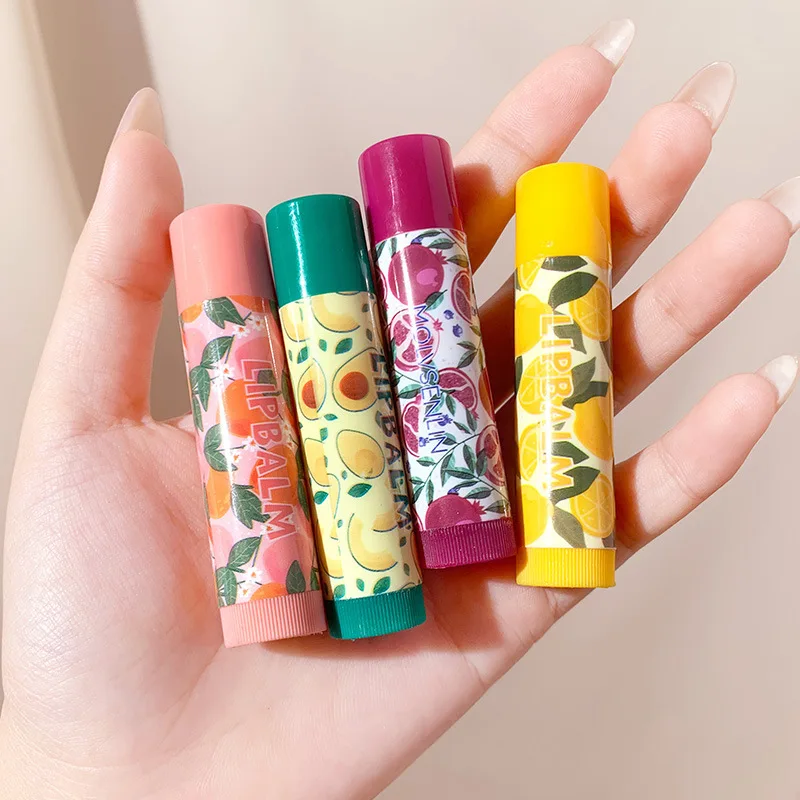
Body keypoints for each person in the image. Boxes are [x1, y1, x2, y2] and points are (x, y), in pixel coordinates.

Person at [0, 18, 796, 799]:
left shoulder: (421, 262)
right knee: (318, 417)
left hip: (450, 528)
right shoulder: (240, 327)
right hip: (330, 580)